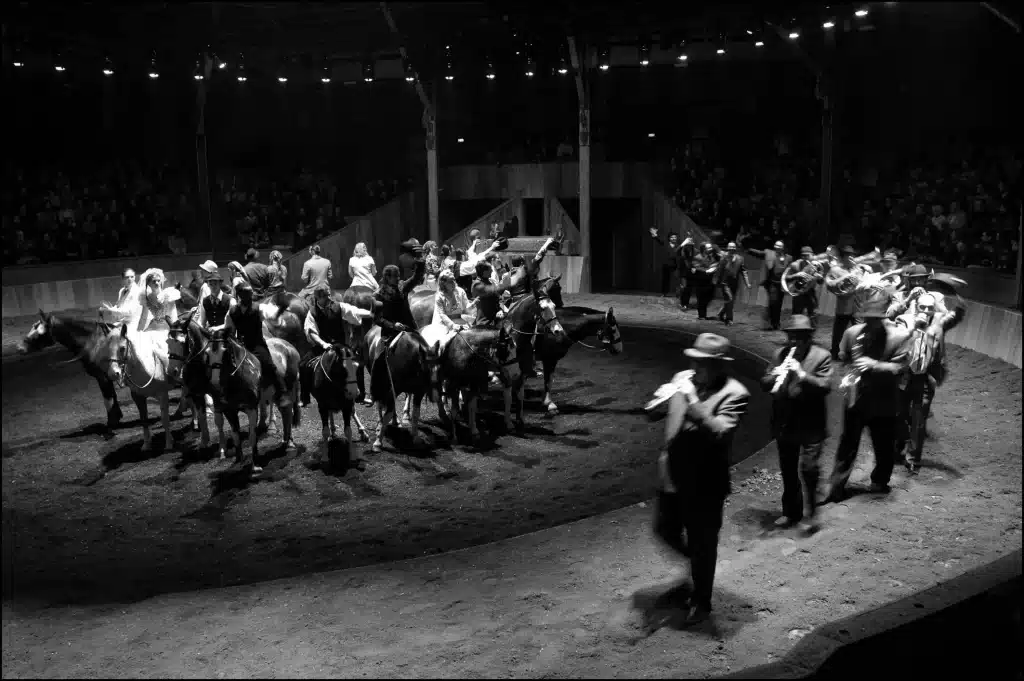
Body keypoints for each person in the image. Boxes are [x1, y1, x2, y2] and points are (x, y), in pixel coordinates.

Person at [653, 333, 749, 626]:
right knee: (665, 530)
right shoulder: (684, 377)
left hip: (705, 482)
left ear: (720, 365)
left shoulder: (736, 393)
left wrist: (693, 402)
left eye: (703, 362)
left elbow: (720, 432)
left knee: (703, 543)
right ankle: (693, 567)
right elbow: (660, 413)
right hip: (673, 473)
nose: (695, 367)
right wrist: (659, 401)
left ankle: (702, 600)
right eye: (694, 360)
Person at [825, 286, 911, 503]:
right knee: (847, 444)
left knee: (883, 444)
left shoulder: (899, 337)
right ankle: (836, 487)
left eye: (875, 318)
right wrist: (848, 369)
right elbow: (843, 358)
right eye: (867, 318)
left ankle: (880, 481)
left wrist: (873, 365)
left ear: (884, 317)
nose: (870, 322)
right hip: (856, 398)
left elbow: (900, 369)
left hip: (884, 400)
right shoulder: (852, 333)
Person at [760, 315, 832, 533]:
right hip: (785, 421)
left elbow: (825, 386)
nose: (794, 342)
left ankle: (811, 513)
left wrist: (801, 374)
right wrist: (773, 376)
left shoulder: (822, 356)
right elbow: (764, 383)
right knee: (788, 470)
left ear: (809, 337)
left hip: (811, 423)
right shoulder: (779, 354)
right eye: (791, 337)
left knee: (809, 468)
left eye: (800, 337)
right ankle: (791, 512)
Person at [299, 284, 375, 407]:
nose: (329, 298)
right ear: (318, 298)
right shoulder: (312, 312)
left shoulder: (339, 306)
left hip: (340, 346)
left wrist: (370, 313)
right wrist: (323, 344)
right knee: (303, 365)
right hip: (322, 346)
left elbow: (355, 311)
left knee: (357, 363)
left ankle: (360, 395)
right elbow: (311, 332)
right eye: (325, 296)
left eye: (329, 295)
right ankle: (305, 397)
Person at [894, 292, 943, 473]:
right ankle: (901, 444)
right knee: (898, 415)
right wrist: (915, 329)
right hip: (903, 376)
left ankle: (913, 458)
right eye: (923, 307)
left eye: (930, 308)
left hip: (922, 379)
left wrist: (936, 374)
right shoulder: (903, 320)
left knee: (919, 420)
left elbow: (939, 352)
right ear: (916, 306)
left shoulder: (937, 328)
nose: (926, 311)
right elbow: (897, 342)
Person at [222, 280, 290, 406]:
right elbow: (229, 329)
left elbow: (273, 316)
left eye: (249, 294)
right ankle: (226, 393)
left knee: (269, 365)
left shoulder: (259, 308)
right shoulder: (232, 311)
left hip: (257, 344)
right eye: (245, 294)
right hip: (240, 345)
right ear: (239, 295)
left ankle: (282, 392)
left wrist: (280, 311)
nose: (248, 296)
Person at [824, 245, 861, 360]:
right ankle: (835, 352)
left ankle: (857, 353)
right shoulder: (835, 270)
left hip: (857, 306)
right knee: (839, 332)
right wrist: (844, 278)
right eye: (848, 256)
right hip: (843, 305)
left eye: (852, 256)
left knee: (859, 331)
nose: (851, 258)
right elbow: (829, 284)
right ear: (843, 258)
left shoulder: (858, 270)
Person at [749, 240, 791, 331]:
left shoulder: (788, 258)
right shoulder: (769, 253)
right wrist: (749, 249)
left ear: (783, 248)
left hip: (782, 284)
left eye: (779, 246)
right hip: (771, 283)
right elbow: (759, 253)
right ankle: (772, 321)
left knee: (778, 304)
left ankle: (776, 323)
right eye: (776, 245)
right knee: (773, 302)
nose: (777, 247)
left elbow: (790, 270)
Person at [785, 246, 825, 328]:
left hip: (811, 293)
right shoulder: (796, 264)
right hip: (798, 292)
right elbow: (786, 278)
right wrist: (796, 274)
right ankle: (795, 335)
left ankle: (810, 336)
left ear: (812, 255)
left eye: (807, 255)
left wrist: (820, 278)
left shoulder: (817, 265)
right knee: (796, 315)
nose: (805, 257)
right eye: (803, 255)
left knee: (813, 315)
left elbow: (820, 282)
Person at [713, 242, 749, 326]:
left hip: (734, 284)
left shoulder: (740, 258)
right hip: (725, 283)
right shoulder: (724, 258)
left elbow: (744, 271)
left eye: (733, 247)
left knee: (730, 301)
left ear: (735, 248)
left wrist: (747, 282)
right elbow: (719, 269)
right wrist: (715, 280)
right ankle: (729, 319)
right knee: (729, 299)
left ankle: (721, 313)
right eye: (730, 247)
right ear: (727, 248)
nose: (732, 248)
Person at [137, 268, 179, 332]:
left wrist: (175, 329)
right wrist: (139, 331)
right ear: (148, 283)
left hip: (167, 327)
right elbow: (143, 317)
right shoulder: (146, 297)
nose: (157, 283)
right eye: (154, 281)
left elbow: (173, 314)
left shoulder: (169, 294)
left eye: (158, 281)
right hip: (153, 326)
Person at [649, 228, 681, 297]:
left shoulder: (679, 246)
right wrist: (654, 234)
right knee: (665, 279)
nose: (673, 238)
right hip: (666, 264)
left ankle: (678, 293)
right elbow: (658, 240)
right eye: (672, 237)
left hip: (675, 265)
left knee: (677, 280)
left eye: (675, 237)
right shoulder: (665, 243)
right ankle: (664, 293)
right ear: (669, 238)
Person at [690, 243, 718, 320]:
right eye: (708, 248)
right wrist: (708, 270)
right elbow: (696, 267)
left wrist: (714, 267)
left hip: (710, 281)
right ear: (704, 249)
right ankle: (701, 315)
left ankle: (703, 314)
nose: (710, 249)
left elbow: (715, 264)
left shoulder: (712, 256)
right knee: (701, 298)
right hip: (701, 281)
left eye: (711, 248)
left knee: (709, 297)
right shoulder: (697, 257)